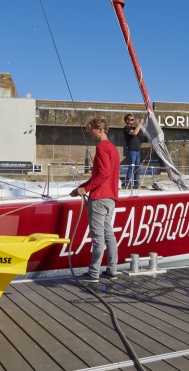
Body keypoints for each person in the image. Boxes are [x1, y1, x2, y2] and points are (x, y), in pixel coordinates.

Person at [70, 115, 120, 283]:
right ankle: (112, 269)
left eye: (91, 132)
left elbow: (103, 174)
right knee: (109, 235)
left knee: (98, 238)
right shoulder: (114, 149)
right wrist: (80, 189)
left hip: (99, 199)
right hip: (110, 199)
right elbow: (98, 176)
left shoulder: (101, 148)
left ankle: (93, 274)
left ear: (100, 129)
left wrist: (86, 189)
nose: (90, 135)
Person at [123, 113, 144, 189]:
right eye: (131, 119)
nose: (132, 121)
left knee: (137, 168)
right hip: (131, 151)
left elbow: (142, 133)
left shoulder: (134, 128)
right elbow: (134, 133)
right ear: (127, 120)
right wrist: (140, 123)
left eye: (133, 119)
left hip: (137, 152)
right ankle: (128, 184)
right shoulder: (126, 128)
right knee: (131, 168)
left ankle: (136, 184)